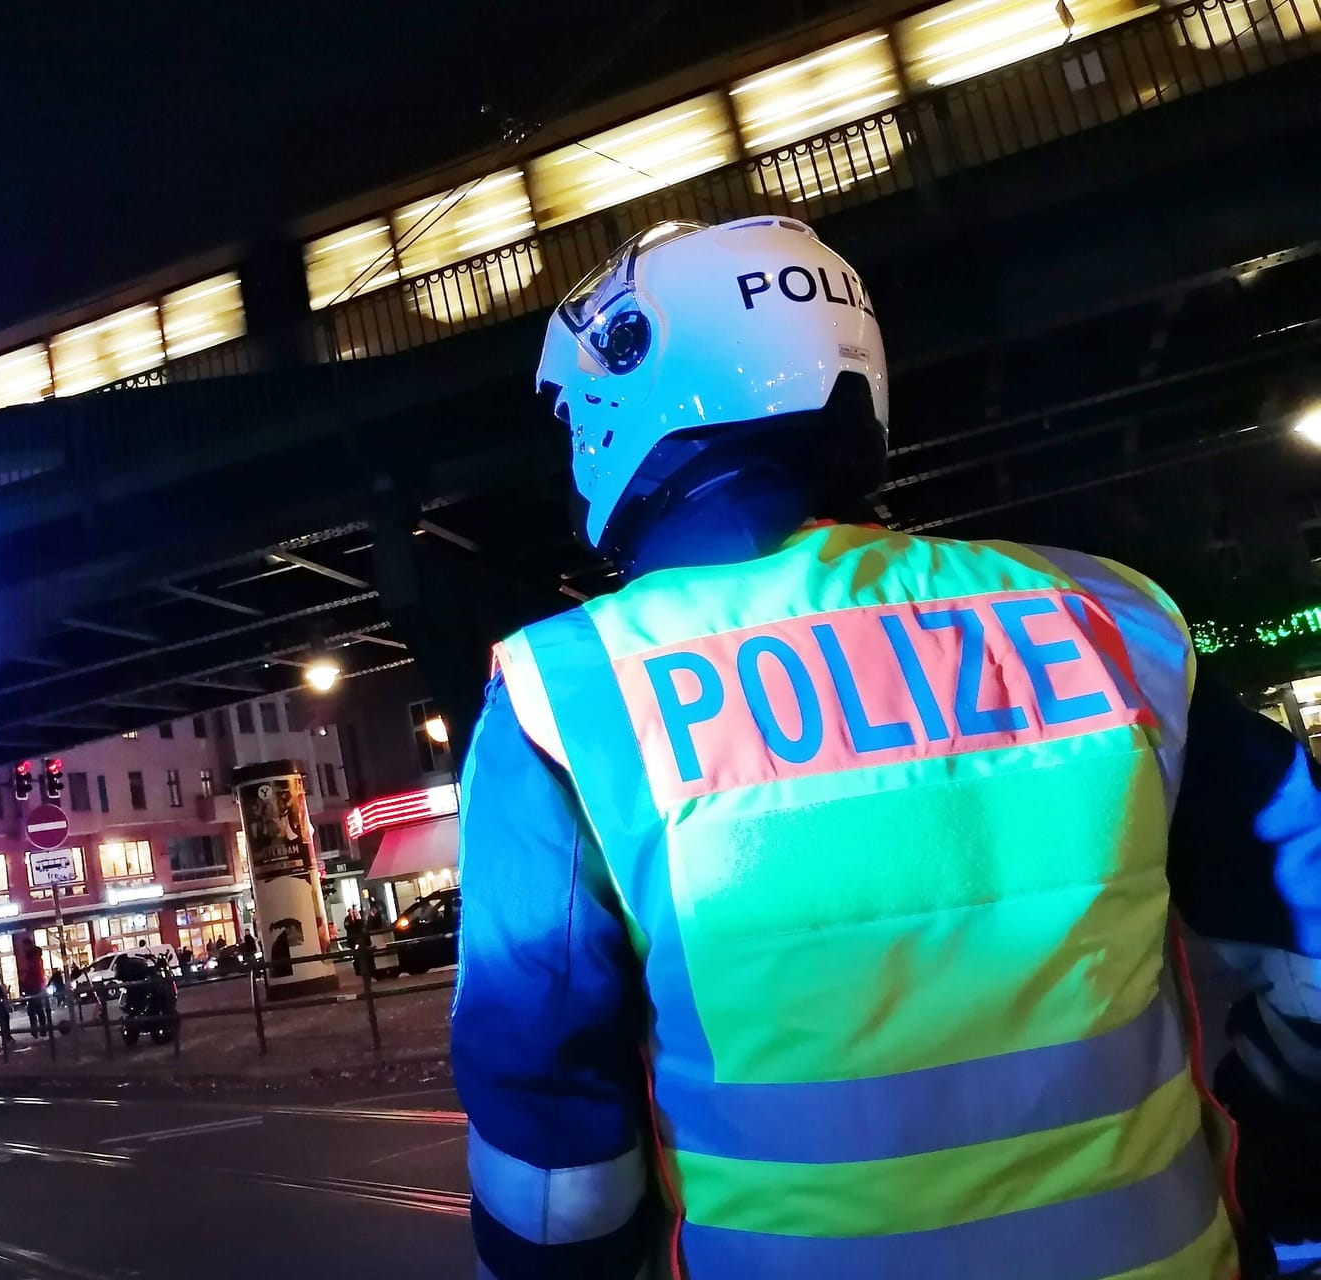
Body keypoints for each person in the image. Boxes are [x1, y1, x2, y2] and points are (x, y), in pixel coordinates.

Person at [452, 216, 1321, 1279]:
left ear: (623, 393)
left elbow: (554, 1159)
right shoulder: (1107, 616)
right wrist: (1285, 1147)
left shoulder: (567, 695)